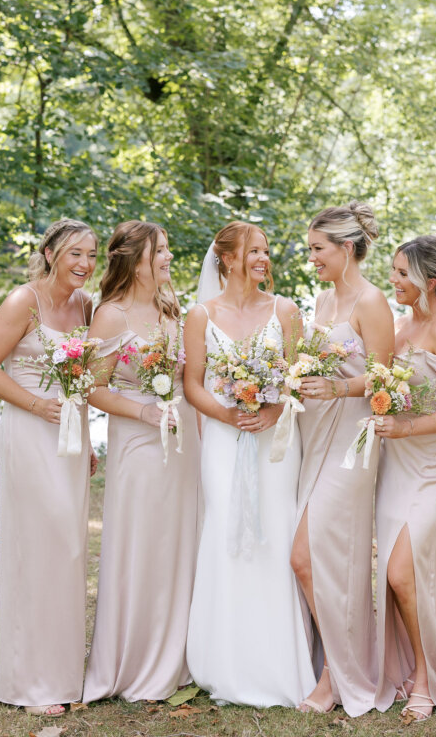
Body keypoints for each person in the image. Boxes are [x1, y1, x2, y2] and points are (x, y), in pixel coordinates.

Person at [184, 221, 315, 707]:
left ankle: (283, 662)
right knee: (226, 528)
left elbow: (298, 377)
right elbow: (192, 383)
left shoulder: (286, 311)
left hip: (276, 441)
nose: (263, 258)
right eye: (253, 251)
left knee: (276, 530)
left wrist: (271, 408)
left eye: (265, 250)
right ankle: (225, 660)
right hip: (222, 439)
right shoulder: (200, 315)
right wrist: (227, 414)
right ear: (227, 258)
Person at [0, 219, 98, 717]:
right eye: (74, 254)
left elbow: (83, 377)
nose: (85, 265)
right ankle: (32, 683)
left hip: (70, 435)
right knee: (40, 547)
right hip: (30, 432)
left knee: (69, 549)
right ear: (49, 253)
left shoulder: (87, 306)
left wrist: (85, 437)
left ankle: (63, 673)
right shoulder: (22, 301)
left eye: (91, 255)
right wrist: (32, 404)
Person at [83, 221, 200, 703]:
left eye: (169, 249)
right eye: (161, 250)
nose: (169, 257)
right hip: (138, 440)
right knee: (141, 543)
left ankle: (178, 654)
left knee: (180, 542)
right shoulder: (110, 316)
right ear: (134, 258)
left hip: (184, 438)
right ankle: (133, 660)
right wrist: (144, 411)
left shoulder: (172, 308)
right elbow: (93, 388)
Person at [290, 201, 394, 716]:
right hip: (315, 436)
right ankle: (332, 661)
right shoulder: (323, 299)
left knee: (309, 557)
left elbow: (384, 376)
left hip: (352, 441)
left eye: (317, 249)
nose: (311, 258)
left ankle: (337, 675)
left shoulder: (372, 302)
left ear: (346, 248)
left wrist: (337, 386)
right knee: (314, 558)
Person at [373, 233, 436, 723]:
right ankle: (403, 669)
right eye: (392, 271)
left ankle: (428, 678)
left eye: (401, 273)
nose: (393, 280)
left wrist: (406, 424)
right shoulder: (397, 325)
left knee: (402, 572)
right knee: (392, 577)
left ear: (429, 282)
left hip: (430, 467)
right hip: (395, 462)